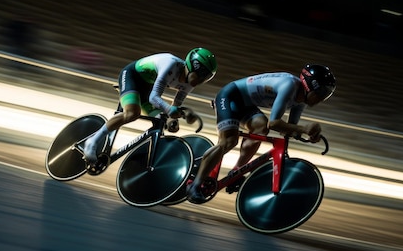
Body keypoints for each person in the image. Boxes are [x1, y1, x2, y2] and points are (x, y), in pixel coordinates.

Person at [186, 64, 336, 203]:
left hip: (246, 104)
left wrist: (307, 134)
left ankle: (235, 173)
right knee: (229, 141)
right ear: (311, 84)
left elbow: (289, 128)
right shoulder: (289, 85)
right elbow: (275, 123)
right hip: (229, 96)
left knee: (261, 128)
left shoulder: (301, 100)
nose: (322, 98)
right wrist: (304, 129)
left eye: (327, 95)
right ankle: (194, 186)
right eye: (322, 92)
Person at [83, 48, 218, 161]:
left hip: (148, 86)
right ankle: (92, 142)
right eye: (201, 73)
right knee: (132, 113)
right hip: (132, 76)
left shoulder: (188, 83)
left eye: (205, 77)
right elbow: (154, 98)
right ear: (192, 65)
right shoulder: (170, 64)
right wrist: (171, 110)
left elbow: (176, 104)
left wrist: (173, 119)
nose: (200, 79)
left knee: (161, 120)